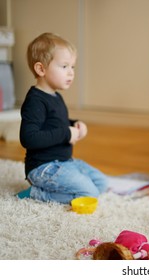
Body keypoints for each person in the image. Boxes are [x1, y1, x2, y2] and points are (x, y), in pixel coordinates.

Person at [17, 32, 108, 204]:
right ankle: (36, 193)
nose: (71, 73)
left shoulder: (55, 96)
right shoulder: (34, 101)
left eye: (72, 67)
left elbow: (57, 122)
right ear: (41, 69)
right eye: (64, 66)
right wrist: (67, 133)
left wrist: (75, 124)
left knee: (102, 184)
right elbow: (28, 138)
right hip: (43, 167)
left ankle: (55, 189)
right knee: (90, 193)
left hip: (65, 162)